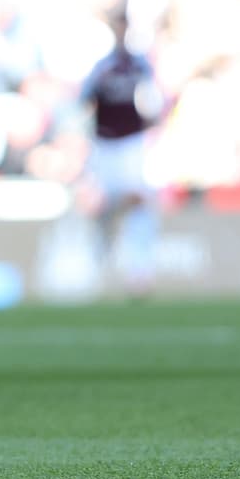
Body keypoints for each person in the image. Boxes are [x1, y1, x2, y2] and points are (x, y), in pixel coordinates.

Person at [81, 15, 166, 299]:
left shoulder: (140, 66)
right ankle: (99, 267)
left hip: (131, 143)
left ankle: (139, 273)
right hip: (105, 144)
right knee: (102, 207)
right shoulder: (101, 67)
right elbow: (84, 100)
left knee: (139, 203)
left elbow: (154, 103)